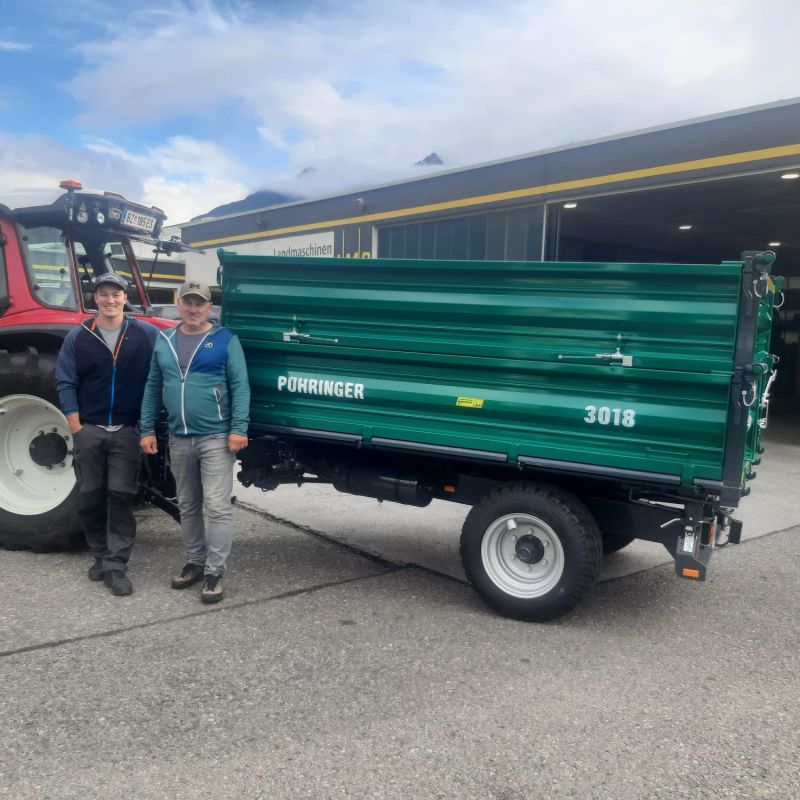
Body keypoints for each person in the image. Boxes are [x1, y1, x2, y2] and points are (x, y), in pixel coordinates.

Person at [139, 279, 250, 604]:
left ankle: (215, 571)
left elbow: (240, 385)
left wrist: (239, 428)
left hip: (216, 437)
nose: (193, 308)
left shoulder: (225, 339)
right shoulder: (164, 340)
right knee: (187, 505)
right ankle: (195, 562)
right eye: (187, 302)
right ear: (179, 303)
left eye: (199, 302)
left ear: (208, 307)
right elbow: (152, 386)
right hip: (179, 438)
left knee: (216, 507)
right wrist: (146, 429)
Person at [56, 273, 157, 596]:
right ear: (95, 298)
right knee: (90, 495)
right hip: (90, 430)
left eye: (116, 294)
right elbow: (66, 381)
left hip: (126, 430)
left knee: (121, 496)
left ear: (125, 298)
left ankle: (116, 564)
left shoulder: (145, 333)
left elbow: (169, 360)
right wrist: (76, 426)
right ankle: (99, 555)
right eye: (104, 294)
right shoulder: (79, 336)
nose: (110, 300)